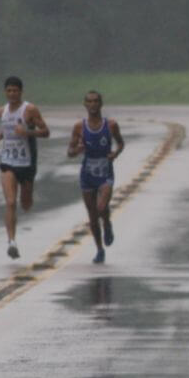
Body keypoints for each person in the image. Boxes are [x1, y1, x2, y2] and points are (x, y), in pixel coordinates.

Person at [0, 76, 49, 259]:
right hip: (8, 161)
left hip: (27, 162)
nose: (12, 94)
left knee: (26, 203)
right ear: (5, 92)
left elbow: (46, 132)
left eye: (15, 90)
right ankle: (12, 242)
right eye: (9, 91)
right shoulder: (1, 111)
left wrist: (28, 132)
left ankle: (29, 193)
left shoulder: (29, 110)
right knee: (10, 202)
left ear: (21, 92)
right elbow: (7, 130)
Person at [67, 90, 124, 264]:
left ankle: (107, 224)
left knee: (101, 207)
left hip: (105, 172)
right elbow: (70, 152)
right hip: (87, 174)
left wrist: (115, 154)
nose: (92, 105)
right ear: (84, 105)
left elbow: (121, 143)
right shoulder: (79, 127)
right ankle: (99, 249)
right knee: (92, 215)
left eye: (95, 101)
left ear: (101, 104)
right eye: (89, 102)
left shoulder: (111, 125)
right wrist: (78, 150)